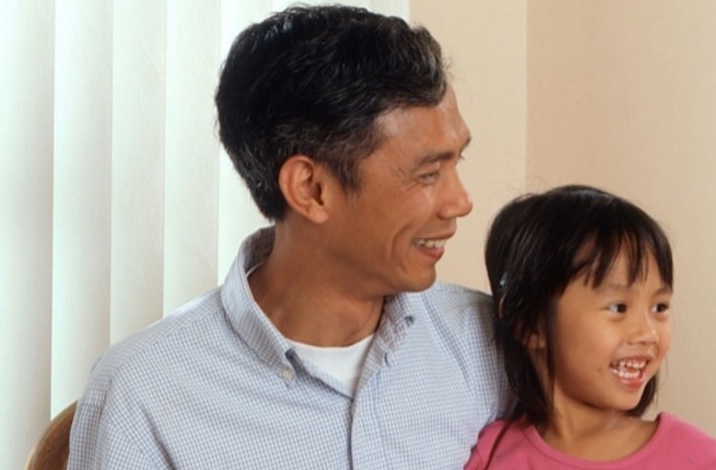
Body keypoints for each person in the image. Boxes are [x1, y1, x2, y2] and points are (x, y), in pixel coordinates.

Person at [69, 5, 507, 468]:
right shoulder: (144, 393)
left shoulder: (492, 344)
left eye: (456, 163)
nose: (460, 202)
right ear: (311, 189)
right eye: (428, 174)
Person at [465, 185, 716, 469]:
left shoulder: (707, 461)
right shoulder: (492, 455)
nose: (648, 333)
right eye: (618, 307)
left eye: (659, 307)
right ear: (529, 324)